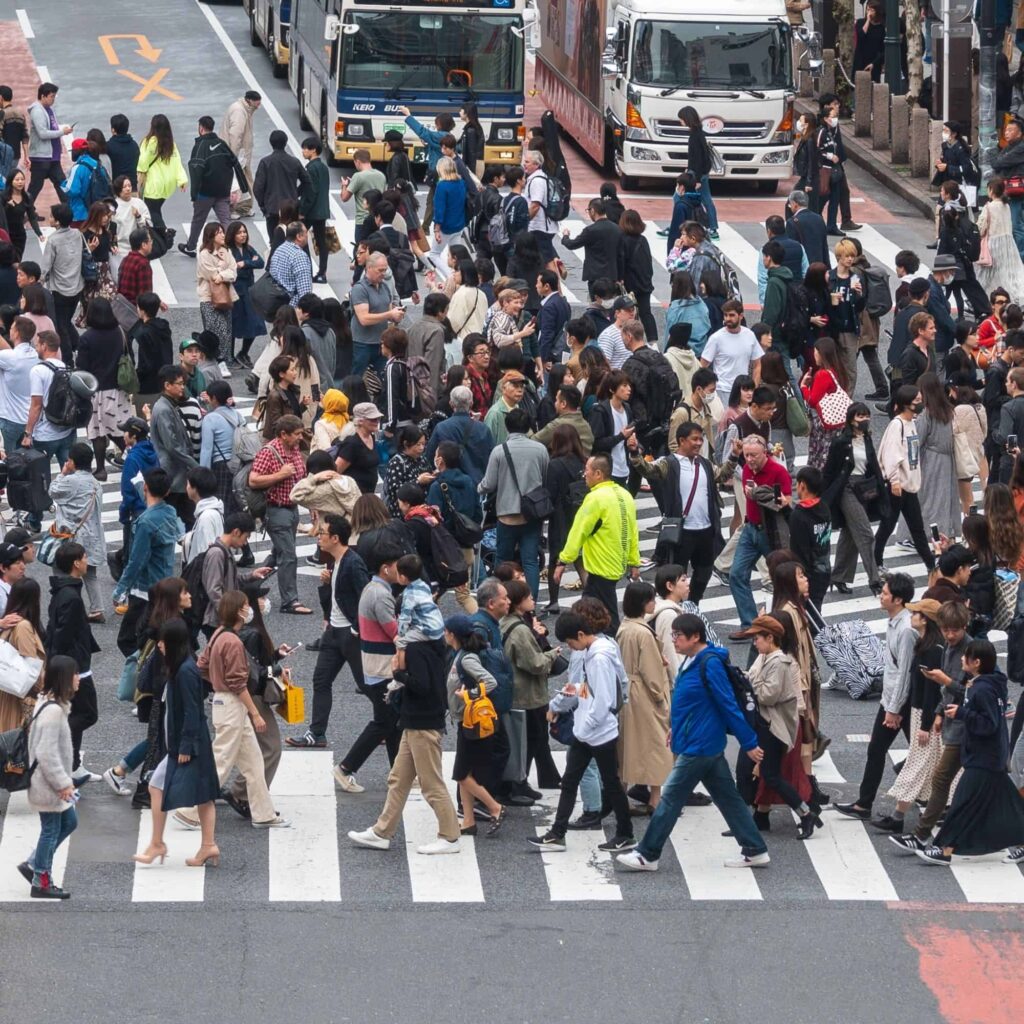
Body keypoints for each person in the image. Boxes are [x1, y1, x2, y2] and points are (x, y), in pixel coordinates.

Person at [616, 613, 770, 872]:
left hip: (699, 745)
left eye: (678, 635)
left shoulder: (709, 664)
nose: (673, 640)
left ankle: (647, 854)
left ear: (695, 637)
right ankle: (755, 849)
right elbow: (689, 703)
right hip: (698, 741)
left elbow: (728, 704)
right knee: (728, 799)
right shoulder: (692, 660)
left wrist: (749, 742)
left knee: (671, 798)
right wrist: (675, 729)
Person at [347, 556, 461, 856]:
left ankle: (449, 836)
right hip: (414, 722)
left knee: (431, 784)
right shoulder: (427, 644)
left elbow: (423, 685)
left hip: (423, 723)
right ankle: (382, 832)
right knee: (397, 779)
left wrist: (398, 674)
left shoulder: (419, 650)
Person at [528, 612, 634, 853]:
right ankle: (558, 832)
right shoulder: (595, 650)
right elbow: (588, 689)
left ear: (580, 635)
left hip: (597, 732)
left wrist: (583, 729)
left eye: (570, 642)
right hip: (593, 730)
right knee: (573, 781)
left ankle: (625, 833)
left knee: (610, 783)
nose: (570, 647)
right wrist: (564, 698)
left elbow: (602, 700)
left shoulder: (597, 658)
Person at [912, 641, 1024, 865]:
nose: (962, 659)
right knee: (1008, 803)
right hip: (991, 756)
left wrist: (962, 713)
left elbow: (989, 724)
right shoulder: (989, 684)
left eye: (966, 657)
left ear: (977, 662)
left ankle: (945, 849)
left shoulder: (981, 689)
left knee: (963, 802)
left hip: (984, 757)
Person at [132, 619, 221, 869]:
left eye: (162, 641)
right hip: (189, 744)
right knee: (203, 794)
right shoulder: (182, 668)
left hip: (188, 746)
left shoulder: (184, 672)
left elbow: (192, 711)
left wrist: (184, 747)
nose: (159, 645)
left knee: (158, 786)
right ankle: (205, 845)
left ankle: (160, 843)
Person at [888, 601, 971, 854]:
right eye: (946, 629)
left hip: (967, 724)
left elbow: (969, 688)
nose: (950, 635)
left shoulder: (968, 649)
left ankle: (938, 835)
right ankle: (927, 834)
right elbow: (945, 690)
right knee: (944, 777)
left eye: (955, 630)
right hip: (948, 720)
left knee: (958, 778)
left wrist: (943, 685)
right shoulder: (944, 647)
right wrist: (937, 713)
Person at [835, 573, 917, 822]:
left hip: (904, 702)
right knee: (877, 749)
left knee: (923, 754)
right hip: (892, 699)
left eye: (885, 593)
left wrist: (894, 709)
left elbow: (905, 673)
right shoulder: (894, 621)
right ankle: (864, 804)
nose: (881, 595)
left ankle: (941, 801)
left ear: (898, 599)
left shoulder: (906, 630)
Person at [739, 613, 821, 837]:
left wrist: (749, 684)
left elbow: (767, 696)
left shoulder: (780, 662)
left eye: (758, 638)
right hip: (766, 724)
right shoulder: (767, 659)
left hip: (772, 727)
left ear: (770, 637)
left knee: (771, 774)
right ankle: (759, 818)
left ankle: (805, 813)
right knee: (763, 772)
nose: (755, 643)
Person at [632, 422, 728, 601]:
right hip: (682, 531)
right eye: (695, 439)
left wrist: (735, 457)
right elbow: (648, 470)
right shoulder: (670, 463)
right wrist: (634, 454)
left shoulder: (705, 464)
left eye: (701, 439)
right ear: (682, 440)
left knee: (704, 571)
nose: (699, 443)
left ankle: (694, 603)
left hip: (706, 529)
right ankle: (677, 606)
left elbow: (721, 476)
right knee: (676, 574)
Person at [552, 454, 641, 631]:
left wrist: (563, 561)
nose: (584, 474)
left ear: (598, 474)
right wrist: (634, 561)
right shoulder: (625, 494)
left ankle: (612, 646)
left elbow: (578, 531)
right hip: (616, 563)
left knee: (607, 616)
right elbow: (633, 531)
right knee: (587, 610)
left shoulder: (595, 498)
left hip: (601, 565)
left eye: (587, 470)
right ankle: (587, 644)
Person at [21, 656, 79, 899]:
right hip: (48, 784)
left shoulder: (50, 703)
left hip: (48, 782)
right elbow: (46, 752)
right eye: (76, 674)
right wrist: (63, 784)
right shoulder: (53, 712)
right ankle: (41, 880)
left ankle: (35, 864)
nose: (79, 679)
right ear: (66, 678)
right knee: (51, 829)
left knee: (68, 822)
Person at [479, 407, 549, 598]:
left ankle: (502, 598)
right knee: (530, 561)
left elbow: (489, 483)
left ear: (507, 427)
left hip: (506, 513)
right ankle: (530, 601)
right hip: (532, 513)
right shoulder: (540, 450)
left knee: (502, 559)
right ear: (528, 427)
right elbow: (544, 477)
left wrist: (478, 488)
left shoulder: (500, 451)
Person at [616, 582, 673, 814]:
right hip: (644, 695)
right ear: (643, 603)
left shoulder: (625, 627)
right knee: (656, 745)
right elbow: (651, 672)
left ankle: (623, 796)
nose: (654, 603)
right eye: (651, 599)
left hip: (627, 691)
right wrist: (661, 698)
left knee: (626, 746)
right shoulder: (643, 632)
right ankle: (655, 798)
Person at [45, 543, 100, 785]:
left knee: (78, 712)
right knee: (87, 714)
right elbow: (62, 635)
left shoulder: (63, 591)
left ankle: (73, 765)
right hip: (74, 666)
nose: (87, 560)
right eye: (85, 557)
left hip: (69, 663)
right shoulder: (71, 597)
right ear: (76, 563)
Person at [112, 467, 182, 654]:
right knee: (157, 637)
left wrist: (120, 590)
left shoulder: (145, 522)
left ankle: (143, 675)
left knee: (128, 639)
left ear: (146, 489)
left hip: (145, 591)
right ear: (167, 491)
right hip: (165, 584)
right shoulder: (170, 512)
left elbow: (136, 561)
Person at [729, 437, 792, 635]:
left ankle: (781, 622)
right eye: (746, 455)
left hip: (770, 531)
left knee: (781, 577)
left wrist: (765, 495)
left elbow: (787, 501)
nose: (749, 459)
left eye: (754, 455)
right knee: (736, 574)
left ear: (765, 452)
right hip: (750, 529)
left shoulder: (778, 471)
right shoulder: (747, 469)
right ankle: (749, 624)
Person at [822, 402, 886, 595]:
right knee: (866, 534)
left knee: (851, 533)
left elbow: (872, 465)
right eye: (860, 416)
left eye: (866, 416)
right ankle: (875, 580)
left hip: (863, 489)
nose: (864, 420)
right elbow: (829, 471)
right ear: (851, 419)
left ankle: (839, 577)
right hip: (846, 489)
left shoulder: (867, 439)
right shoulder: (840, 442)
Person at [249, 414, 310, 615]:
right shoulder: (269, 451)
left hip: (292, 509)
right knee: (288, 555)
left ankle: (250, 586)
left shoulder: (293, 450)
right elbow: (253, 480)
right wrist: (280, 475)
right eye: (297, 434)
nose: (300, 438)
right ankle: (289, 601)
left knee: (279, 554)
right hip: (276, 510)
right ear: (283, 434)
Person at [874, 385, 938, 575]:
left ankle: (930, 564)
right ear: (905, 404)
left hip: (907, 486)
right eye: (917, 401)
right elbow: (891, 455)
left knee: (916, 528)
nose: (920, 403)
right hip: (897, 486)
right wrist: (894, 481)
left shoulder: (911, 423)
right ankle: (876, 562)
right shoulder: (897, 425)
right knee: (888, 526)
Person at [75, 297, 131, 480]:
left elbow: (82, 366)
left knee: (97, 432)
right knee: (119, 429)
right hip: (118, 389)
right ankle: (133, 455)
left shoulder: (87, 338)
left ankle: (100, 468)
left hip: (96, 391)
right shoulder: (120, 332)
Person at [49, 443, 106, 618]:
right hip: (93, 536)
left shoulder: (71, 481)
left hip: (72, 538)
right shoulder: (96, 483)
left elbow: (53, 491)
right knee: (90, 574)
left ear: (72, 461)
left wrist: (62, 473)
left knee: (62, 571)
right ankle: (97, 609)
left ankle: (69, 606)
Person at [179, 115, 248, 256]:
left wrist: (194, 195)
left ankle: (191, 246)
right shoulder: (222, 144)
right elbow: (235, 163)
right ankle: (235, 246)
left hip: (204, 193)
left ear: (201, 128)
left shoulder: (199, 147)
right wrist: (244, 186)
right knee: (225, 220)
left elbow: (196, 172)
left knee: (198, 220)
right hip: (223, 191)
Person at [40, 204, 84, 365]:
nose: (49, 219)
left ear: (57, 221)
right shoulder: (78, 234)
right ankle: (78, 344)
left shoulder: (53, 240)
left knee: (60, 325)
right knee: (65, 320)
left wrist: (37, 284)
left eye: (51, 216)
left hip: (60, 290)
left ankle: (68, 358)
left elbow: (45, 267)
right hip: (77, 287)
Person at [0, 577, 44, 732]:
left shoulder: (8, 621)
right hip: (18, 697)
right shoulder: (23, 626)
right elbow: (30, 666)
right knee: (15, 745)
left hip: (8, 691)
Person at [701, 300, 762, 409]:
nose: (728, 318)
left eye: (732, 315)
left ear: (741, 316)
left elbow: (757, 365)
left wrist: (753, 389)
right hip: (722, 391)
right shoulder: (716, 338)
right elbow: (703, 366)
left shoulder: (749, 335)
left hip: (743, 392)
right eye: (725, 315)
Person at [136, 114, 186, 246]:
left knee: (152, 211)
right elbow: (177, 162)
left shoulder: (150, 142)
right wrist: (182, 180)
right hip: (167, 183)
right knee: (156, 209)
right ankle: (161, 235)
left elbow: (143, 162)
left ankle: (165, 234)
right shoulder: (171, 144)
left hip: (154, 183)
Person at [350, 252, 404, 375]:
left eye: (385, 270)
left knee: (383, 378)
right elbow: (364, 319)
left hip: (381, 343)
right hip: (362, 343)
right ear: (369, 268)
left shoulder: (384, 287)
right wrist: (390, 314)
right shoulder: (360, 289)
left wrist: (397, 316)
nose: (383, 274)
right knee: (358, 378)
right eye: (380, 270)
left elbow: (389, 311)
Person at [561, 198, 624, 298]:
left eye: (589, 211)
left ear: (593, 211)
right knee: (610, 305)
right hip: (612, 275)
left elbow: (572, 244)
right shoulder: (617, 229)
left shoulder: (590, 230)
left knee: (596, 305)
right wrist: (620, 277)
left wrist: (565, 236)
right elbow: (620, 256)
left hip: (595, 276)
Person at [224, 221, 265, 370]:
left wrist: (244, 263)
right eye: (239, 232)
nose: (243, 235)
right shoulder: (228, 250)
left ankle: (243, 352)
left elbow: (260, 262)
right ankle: (230, 356)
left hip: (249, 291)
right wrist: (246, 264)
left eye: (244, 232)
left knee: (255, 322)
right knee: (233, 323)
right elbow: (232, 269)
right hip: (235, 291)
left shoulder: (248, 249)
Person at [976, 177, 1024, 299]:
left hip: (993, 242)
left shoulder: (989, 207)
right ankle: (1009, 293)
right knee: (1007, 271)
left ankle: (983, 295)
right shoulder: (1006, 205)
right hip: (1008, 243)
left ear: (991, 190)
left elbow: (981, 226)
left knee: (987, 272)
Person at [26, 83, 71, 205]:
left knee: (62, 184)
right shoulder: (37, 111)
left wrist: (62, 130)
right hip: (41, 157)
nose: (53, 99)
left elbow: (52, 128)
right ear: (43, 96)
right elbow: (43, 133)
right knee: (36, 186)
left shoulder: (49, 109)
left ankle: (68, 210)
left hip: (52, 156)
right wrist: (62, 132)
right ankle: (25, 210)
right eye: (51, 96)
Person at [678, 106, 719, 239]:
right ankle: (712, 227)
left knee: (680, 197)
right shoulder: (698, 133)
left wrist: (696, 179)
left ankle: (682, 223)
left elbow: (698, 158)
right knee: (704, 200)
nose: (680, 122)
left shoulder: (695, 136)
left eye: (681, 119)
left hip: (696, 174)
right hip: (697, 173)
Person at [299, 136, 331, 282]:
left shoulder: (311, 168)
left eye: (305, 148)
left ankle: (307, 270)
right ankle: (322, 272)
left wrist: (302, 211)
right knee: (321, 242)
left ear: (313, 150)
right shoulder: (323, 167)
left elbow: (310, 192)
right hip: (322, 210)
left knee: (300, 238)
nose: (303, 151)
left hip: (312, 211)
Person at [522, 149, 560, 271]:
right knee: (545, 257)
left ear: (536, 165)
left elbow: (535, 205)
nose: (524, 164)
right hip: (542, 226)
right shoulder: (537, 178)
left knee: (547, 261)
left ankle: (556, 287)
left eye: (527, 162)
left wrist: (525, 221)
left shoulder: (537, 181)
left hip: (540, 227)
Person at [334, 400, 382, 494]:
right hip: (354, 498)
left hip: (369, 495)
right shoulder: (352, 443)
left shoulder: (371, 437)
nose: (377, 422)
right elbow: (335, 471)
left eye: (378, 419)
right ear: (360, 421)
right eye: (372, 419)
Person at [666, 272, 712, 359]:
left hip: (679, 354)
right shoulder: (701, 304)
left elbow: (669, 334)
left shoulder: (675, 308)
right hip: (701, 352)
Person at [3, 168, 43, 259]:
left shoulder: (27, 197)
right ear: (11, 181)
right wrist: (7, 207)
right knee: (7, 261)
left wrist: (39, 233)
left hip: (19, 235)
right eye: (17, 180)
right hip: (6, 234)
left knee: (17, 261)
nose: (20, 182)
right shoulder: (3, 197)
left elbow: (32, 217)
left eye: (22, 179)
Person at [785, 190, 831, 268]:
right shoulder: (819, 218)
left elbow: (792, 248)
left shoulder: (791, 222)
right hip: (819, 265)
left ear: (795, 204)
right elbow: (824, 247)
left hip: (802, 266)